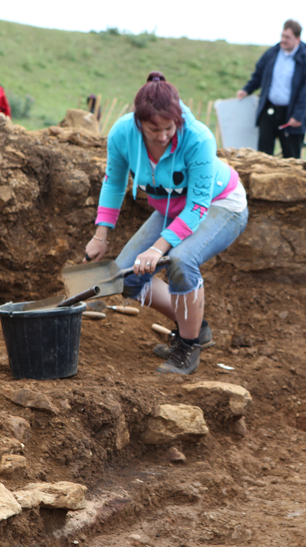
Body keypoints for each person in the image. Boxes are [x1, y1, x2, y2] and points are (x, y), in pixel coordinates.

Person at [85, 72, 248, 375]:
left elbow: (197, 207)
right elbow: (114, 183)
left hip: (221, 203)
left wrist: (157, 249)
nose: (162, 136)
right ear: (138, 122)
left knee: (181, 260)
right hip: (173, 209)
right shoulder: (122, 134)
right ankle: (195, 325)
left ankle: (188, 346)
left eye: (169, 128)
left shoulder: (198, 138)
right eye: (153, 129)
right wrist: (100, 235)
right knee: (126, 278)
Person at [236, 19, 306, 159]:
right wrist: (247, 89)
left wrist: (298, 116)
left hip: (291, 115)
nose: (283, 40)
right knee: (263, 156)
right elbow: (258, 75)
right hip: (269, 110)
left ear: (297, 38)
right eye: (282, 36)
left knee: (291, 158)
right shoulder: (271, 53)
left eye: (288, 37)